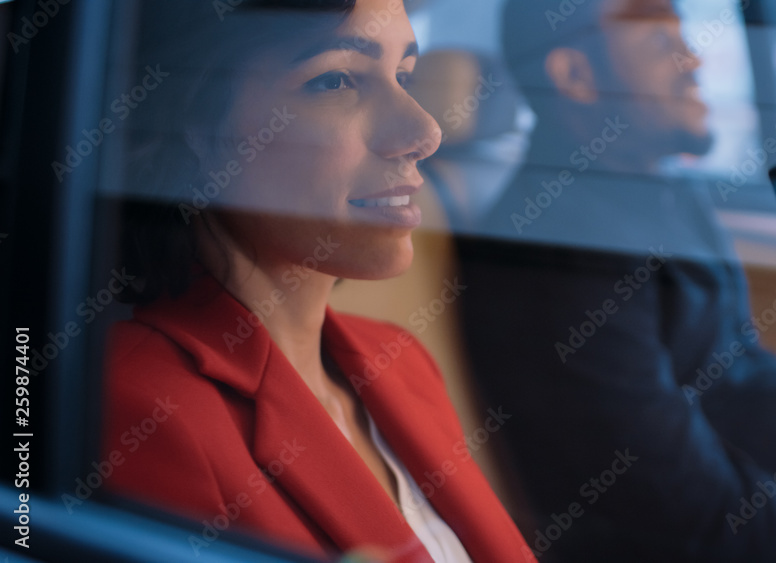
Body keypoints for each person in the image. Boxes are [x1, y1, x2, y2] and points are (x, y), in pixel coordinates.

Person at [454, 0, 776, 561]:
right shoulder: (555, 254)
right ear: (576, 77)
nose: (694, 61)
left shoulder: (662, 191)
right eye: (660, 43)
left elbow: (744, 378)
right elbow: (682, 503)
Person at [100, 1, 533, 561]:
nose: (425, 131)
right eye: (336, 80)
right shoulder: (140, 408)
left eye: (405, 76)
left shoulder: (398, 358)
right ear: (199, 128)